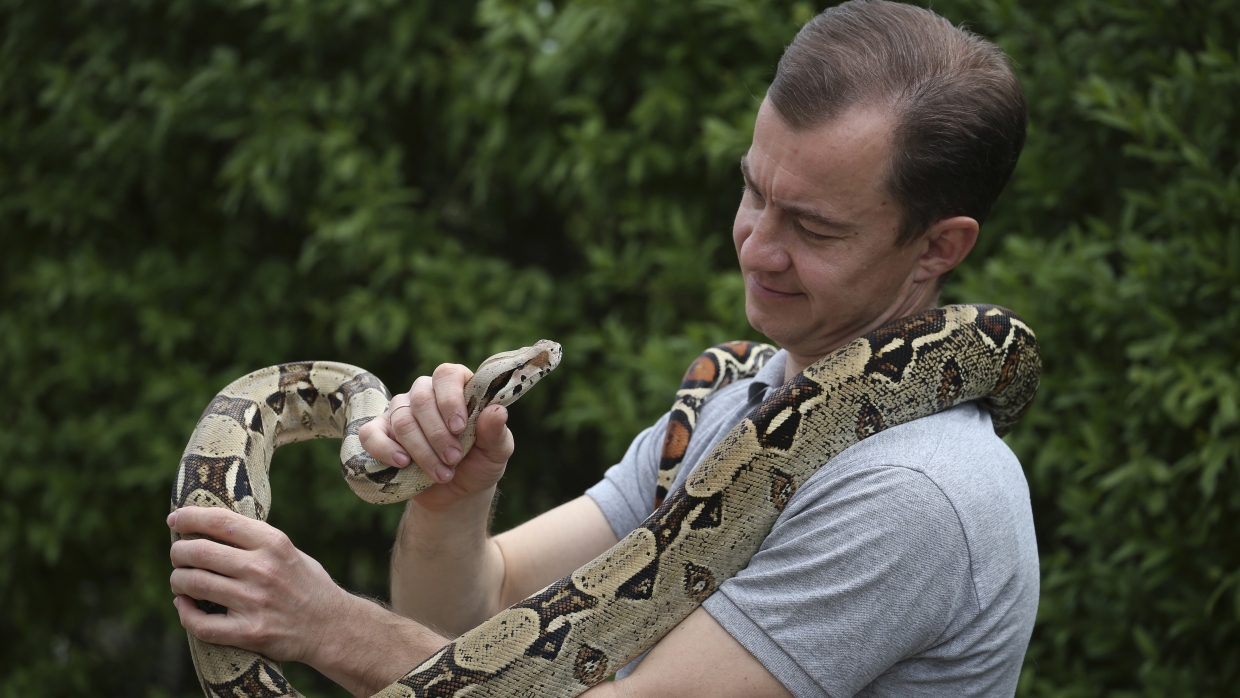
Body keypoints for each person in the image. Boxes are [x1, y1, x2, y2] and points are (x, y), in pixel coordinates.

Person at [167, 1, 1038, 696]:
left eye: (812, 226)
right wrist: (449, 504)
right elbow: (482, 610)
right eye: (753, 191)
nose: (755, 245)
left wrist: (332, 629)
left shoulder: (915, 494)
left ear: (938, 248)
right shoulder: (739, 402)